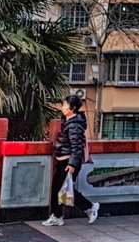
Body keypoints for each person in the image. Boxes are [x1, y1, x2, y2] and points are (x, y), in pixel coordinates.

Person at [42, 94, 100, 226]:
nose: (62, 108)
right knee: (60, 189)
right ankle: (58, 216)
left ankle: (90, 208)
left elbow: (77, 147)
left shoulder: (74, 125)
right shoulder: (69, 122)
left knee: (66, 189)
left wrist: (72, 164)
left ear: (72, 108)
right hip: (63, 160)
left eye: (65, 105)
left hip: (68, 162)